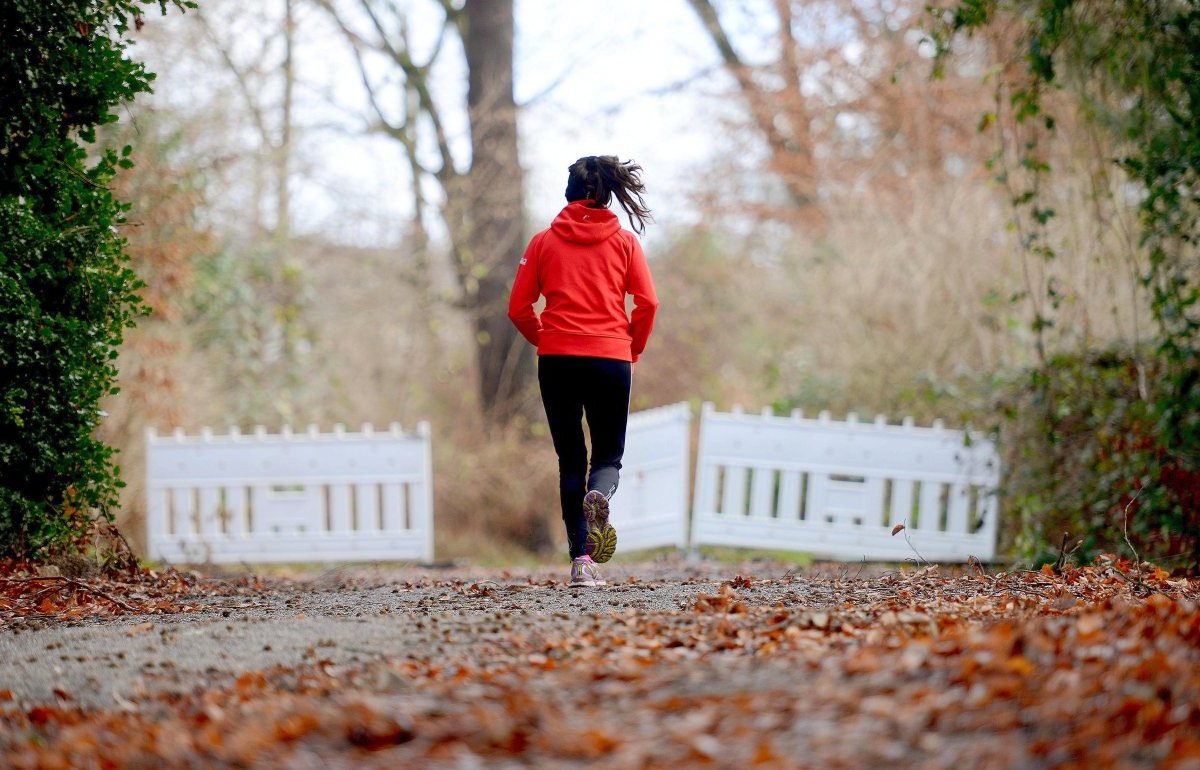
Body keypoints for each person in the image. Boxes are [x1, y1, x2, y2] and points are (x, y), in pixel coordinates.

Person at [508, 155, 659, 587]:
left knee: (570, 458)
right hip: (611, 358)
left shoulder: (541, 242)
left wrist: (546, 339)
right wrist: (632, 348)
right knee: (607, 456)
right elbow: (648, 303)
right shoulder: (626, 244)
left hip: (557, 360)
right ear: (608, 194)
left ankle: (582, 561)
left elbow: (518, 308)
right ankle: (601, 494)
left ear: (568, 194)